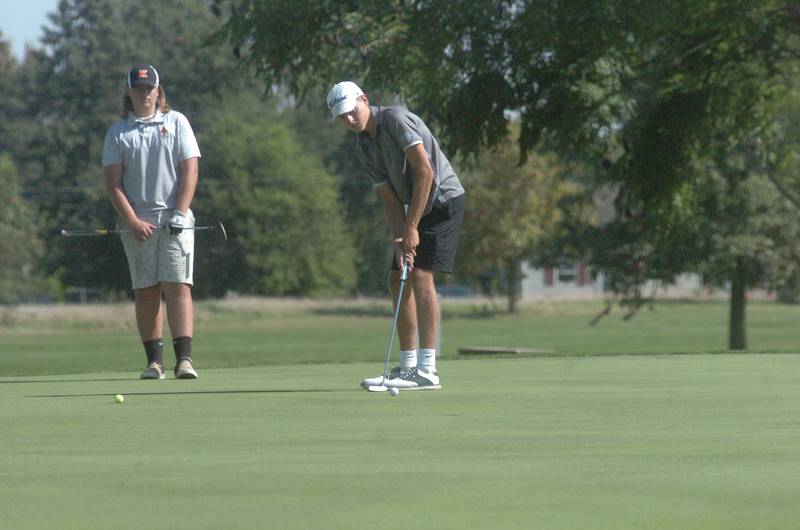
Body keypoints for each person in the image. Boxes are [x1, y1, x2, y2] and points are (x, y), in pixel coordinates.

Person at [327, 81, 466, 390]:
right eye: (342, 117)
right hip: (416, 205)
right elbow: (390, 201)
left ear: (364, 99)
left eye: (351, 111)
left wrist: (412, 227)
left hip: (443, 201)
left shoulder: (395, 120)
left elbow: (425, 173)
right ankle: (407, 367)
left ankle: (427, 370)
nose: (349, 119)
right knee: (397, 277)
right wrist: (400, 240)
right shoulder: (363, 146)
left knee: (420, 275)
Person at [103, 64, 202, 380]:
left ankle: (184, 360)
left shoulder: (176, 122)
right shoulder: (118, 132)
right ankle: (154, 363)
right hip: (137, 223)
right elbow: (113, 184)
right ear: (128, 91)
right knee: (146, 290)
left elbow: (190, 170)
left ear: (158, 91)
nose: (144, 94)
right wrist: (131, 221)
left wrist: (180, 213)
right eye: (138, 88)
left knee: (178, 287)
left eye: (149, 88)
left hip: (175, 219)